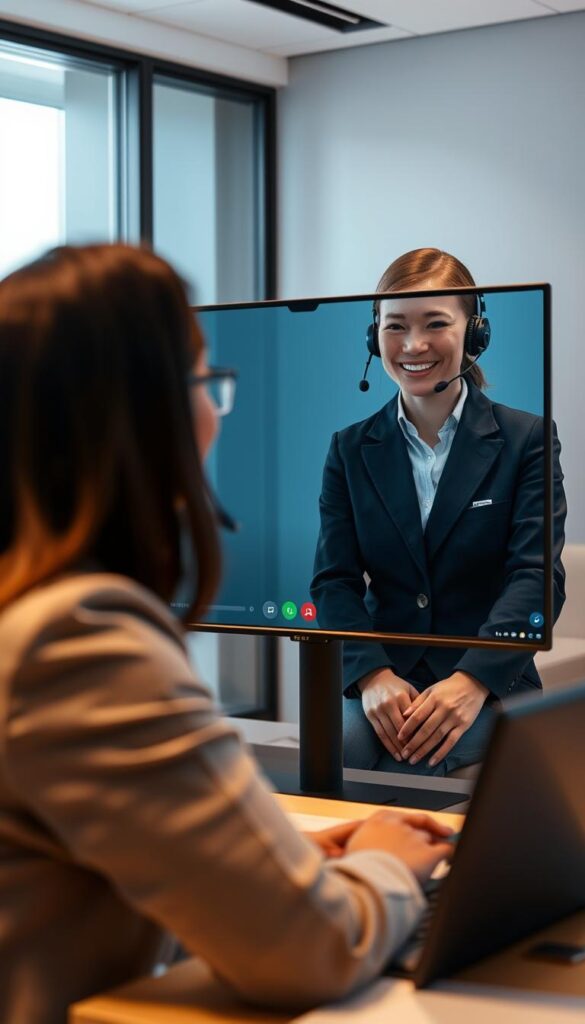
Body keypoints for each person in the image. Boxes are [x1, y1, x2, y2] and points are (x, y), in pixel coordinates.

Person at [0, 244, 455, 1024]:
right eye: (202, 382)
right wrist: (385, 867)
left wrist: (283, 863)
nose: (213, 411)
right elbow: (305, 950)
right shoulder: (78, 639)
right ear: (145, 413)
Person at [311, 248, 566, 776]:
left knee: (416, 766)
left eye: (436, 324)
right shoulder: (349, 448)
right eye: (395, 326)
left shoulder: (527, 440)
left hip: (486, 676)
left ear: (475, 334)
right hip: (385, 674)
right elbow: (333, 582)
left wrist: (473, 680)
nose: (413, 345)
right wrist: (371, 675)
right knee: (331, 757)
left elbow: (537, 578)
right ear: (373, 336)